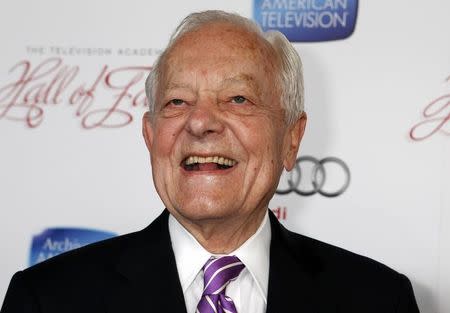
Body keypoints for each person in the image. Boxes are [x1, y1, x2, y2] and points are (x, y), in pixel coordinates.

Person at [1, 10, 420, 313]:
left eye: (238, 99)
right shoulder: (47, 298)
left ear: (291, 139)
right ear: (150, 137)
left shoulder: (378, 299)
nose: (200, 122)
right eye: (177, 101)